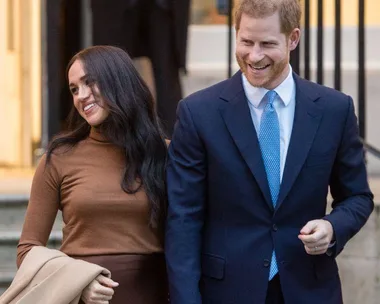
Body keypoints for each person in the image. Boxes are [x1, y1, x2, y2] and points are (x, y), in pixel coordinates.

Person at [165, 0, 374, 303]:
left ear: (293, 39)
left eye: (267, 44)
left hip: (310, 290)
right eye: (246, 42)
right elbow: (183, 219)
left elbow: (357, 197)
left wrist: (332, 227)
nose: (254, 55)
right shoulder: (197, 113)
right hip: (226, 292)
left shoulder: (334, 110)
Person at [17, 45, 169, 304]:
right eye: (74, 89)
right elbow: (27, 251)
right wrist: (78, 283)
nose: (81, 96)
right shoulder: (59, 158)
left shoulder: (165, 153)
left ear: (118, 81)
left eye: (90, 82)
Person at [91, 0, 191, 138]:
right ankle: (111, 138)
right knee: (110, 69)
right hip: (114, 6)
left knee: (167, 77)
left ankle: (174, 143)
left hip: (164, 6)